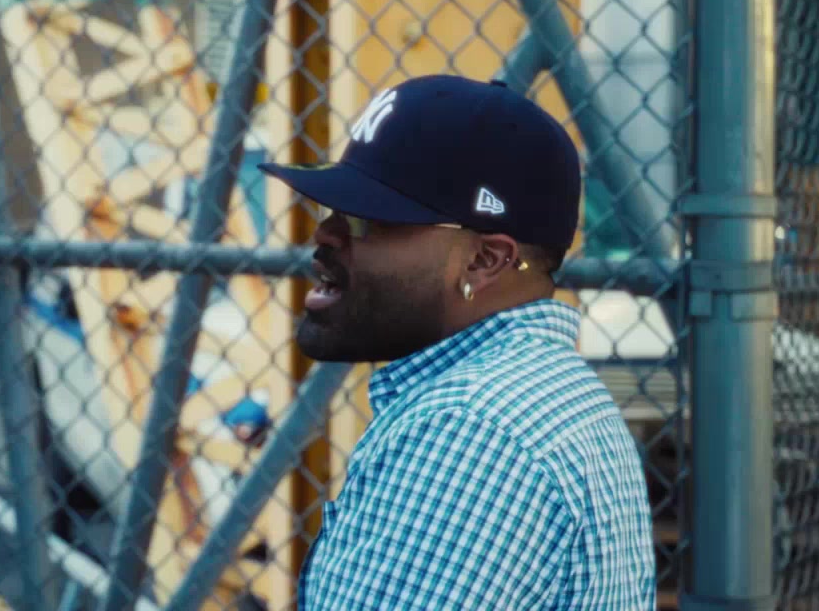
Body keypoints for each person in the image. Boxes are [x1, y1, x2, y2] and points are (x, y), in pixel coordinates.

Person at [257, 74, 657, 610]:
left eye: (366, 219)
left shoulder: (470, 431)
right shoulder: (536, 390)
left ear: (484, 260)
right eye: (332, 211)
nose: (326, 234)